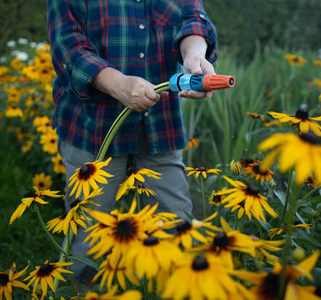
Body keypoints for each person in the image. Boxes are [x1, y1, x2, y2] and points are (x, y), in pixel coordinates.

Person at [47, 0, 218, 289]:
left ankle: (169, 291)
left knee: (175, 227)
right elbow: (68, 47)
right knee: (87, 238)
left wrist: (194, 55)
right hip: (92, 126)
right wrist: (118, 84)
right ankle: (75, 292)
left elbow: (194, 19)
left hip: (160, 125)